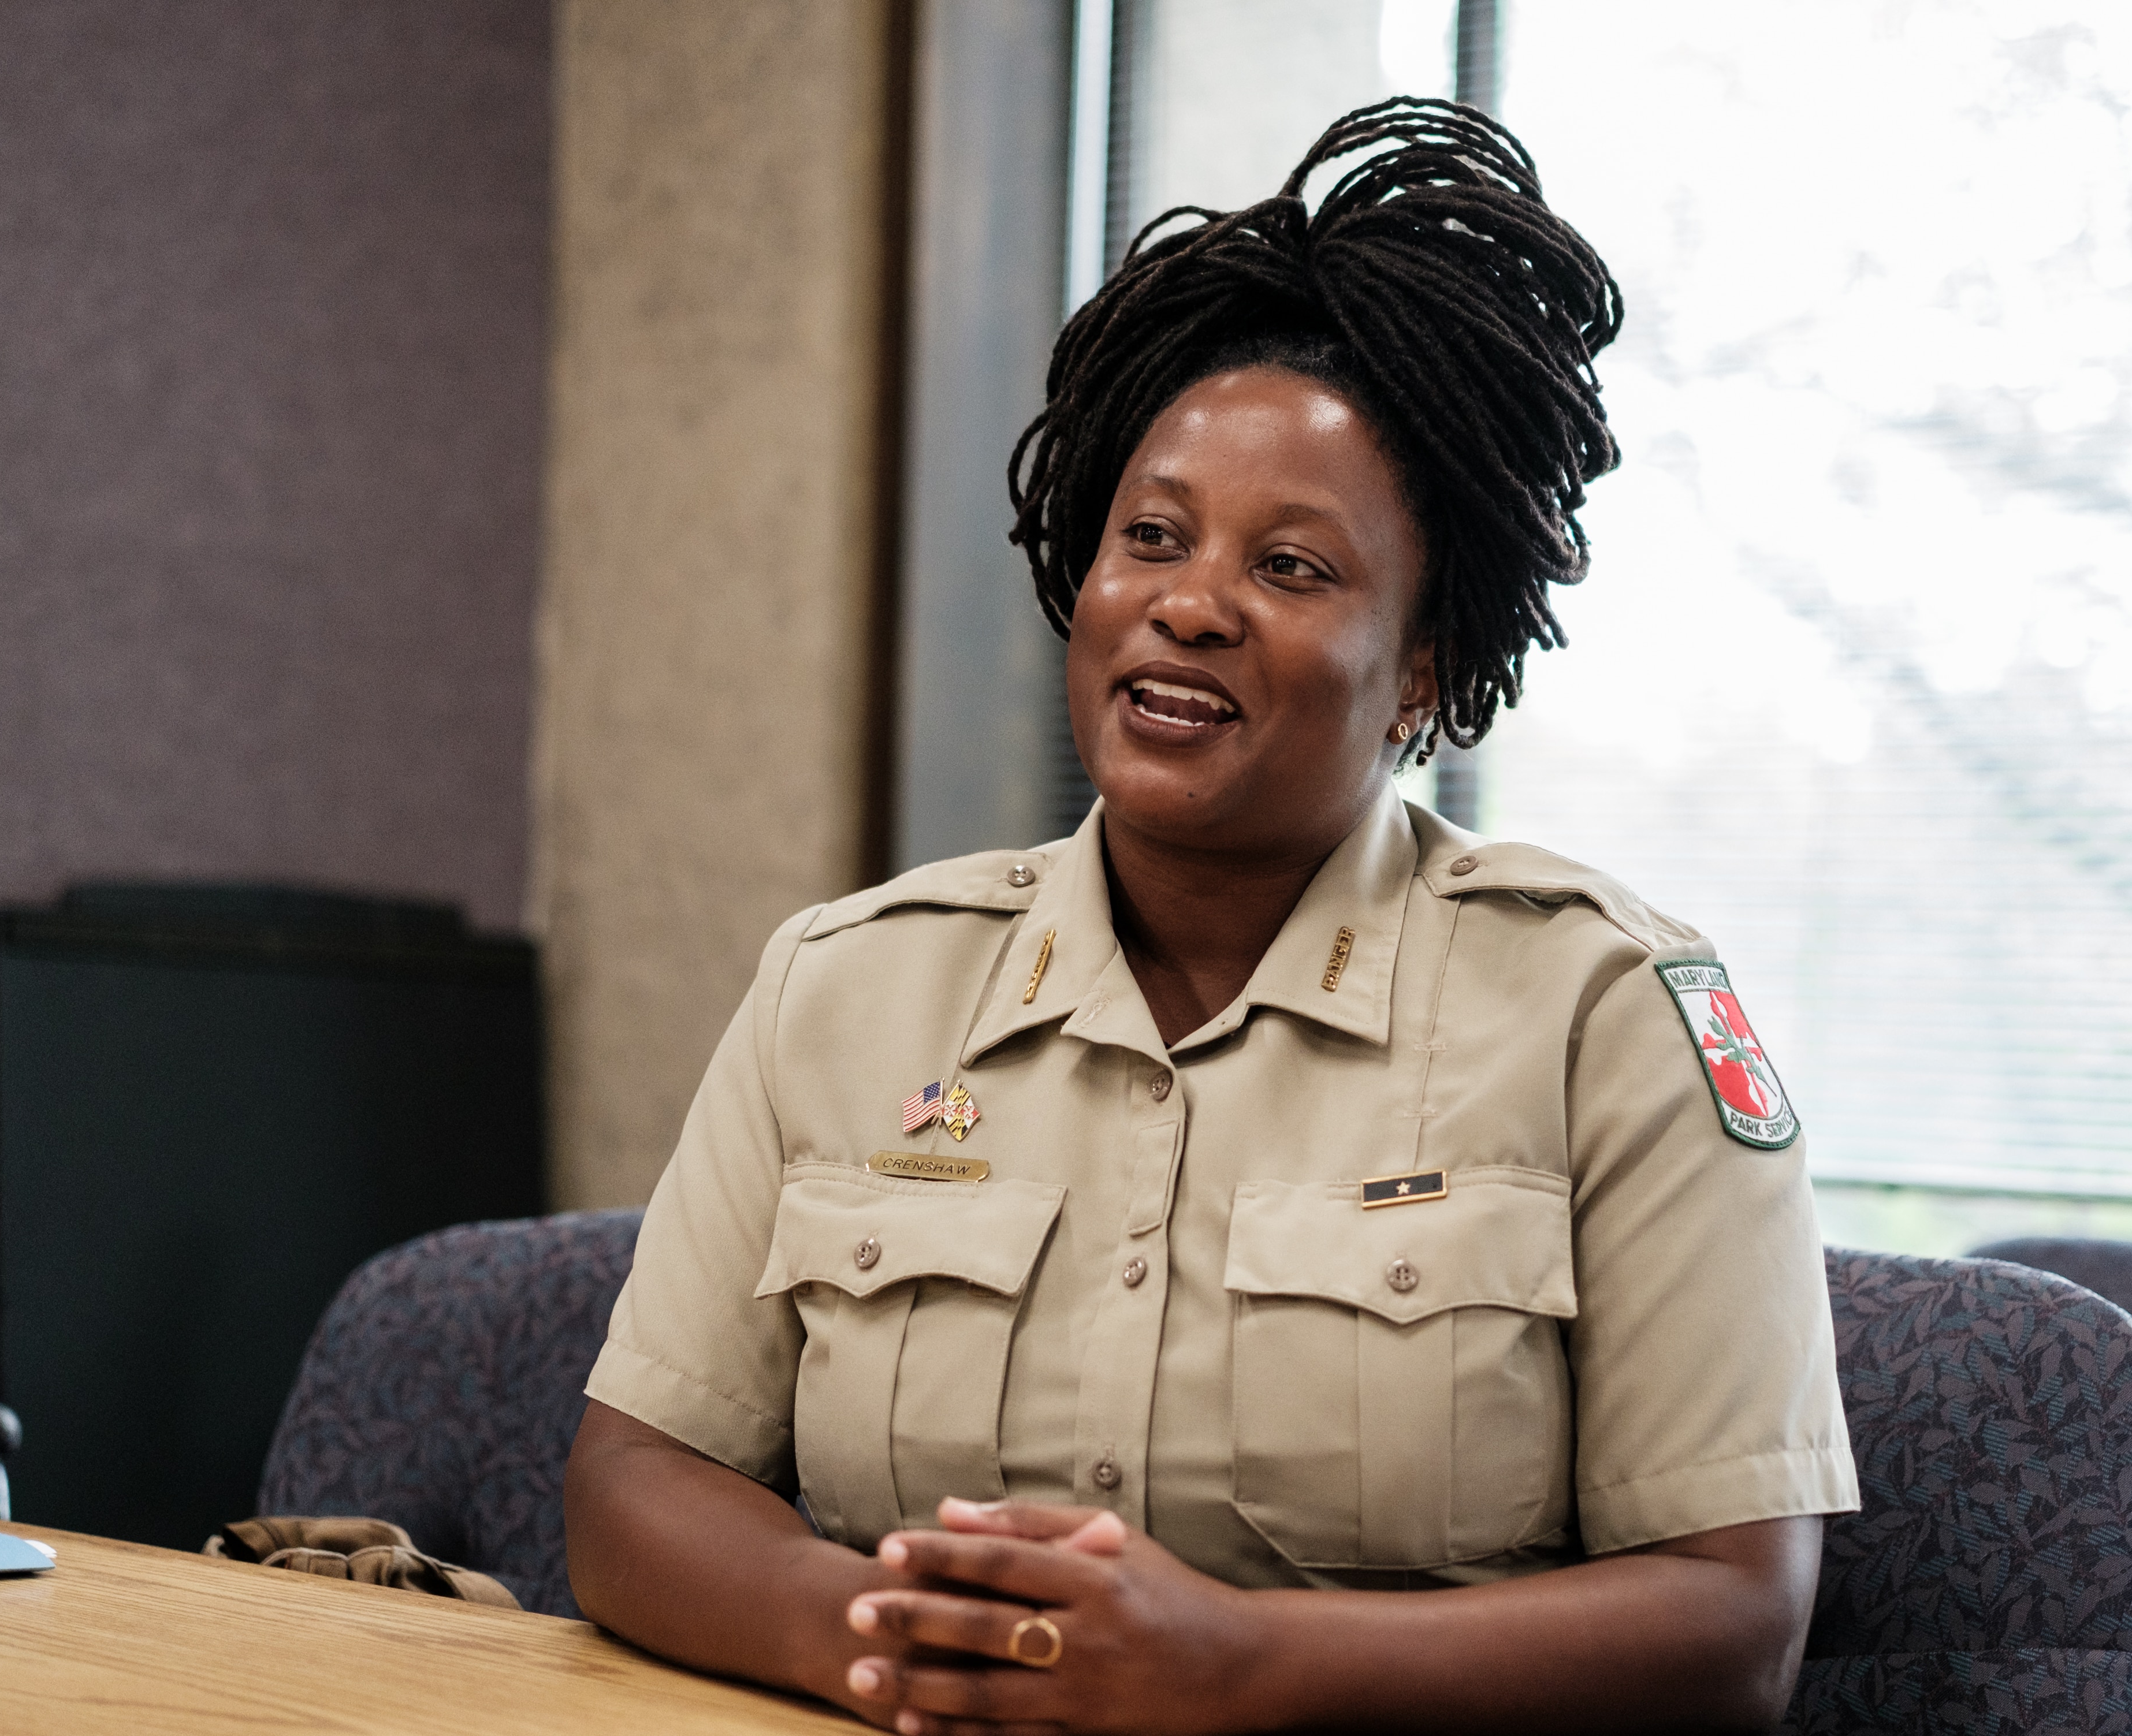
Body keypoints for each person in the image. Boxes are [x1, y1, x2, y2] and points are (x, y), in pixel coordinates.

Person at [563, 98, 1856, 1735]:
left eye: (1294, 568)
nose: (1187, 601)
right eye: (1151, 537)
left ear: (1429, 677)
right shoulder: (850, 984)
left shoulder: (1603, 1008)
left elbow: (1731, 1627)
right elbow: (635, 1481)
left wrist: (1231, 1673)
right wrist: (899, 1641)